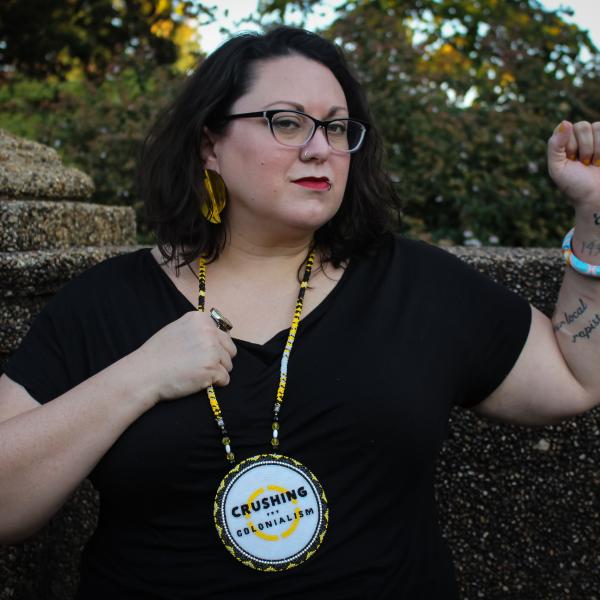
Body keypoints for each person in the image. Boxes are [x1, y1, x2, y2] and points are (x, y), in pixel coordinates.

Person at [0, 26, 599, 600]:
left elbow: (574, 379)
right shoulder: (105, 303)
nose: (320, 149)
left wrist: (594, 213)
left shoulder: (417, 285)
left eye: (337, 129)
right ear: (209, 144)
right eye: (286, 122)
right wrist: (138, 377)